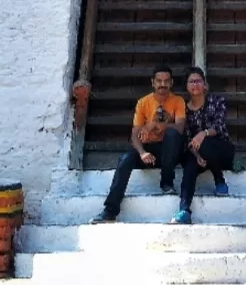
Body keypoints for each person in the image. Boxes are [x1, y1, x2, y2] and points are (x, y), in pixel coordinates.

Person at [91, 66, 186, 222]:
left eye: (166, 81)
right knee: (125, 160)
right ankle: (110, 211)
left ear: (171, 83)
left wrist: (155, 125)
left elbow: (180, 128)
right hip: (147, 149)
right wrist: (142, 152)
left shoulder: (178, 101)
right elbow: (135, 135)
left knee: (172, 134)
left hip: (168, 152)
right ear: (153, 83)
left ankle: (167, 183)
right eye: (159, 81)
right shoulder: (143, 102)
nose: (163, 84)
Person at [173, 67, 235, 224]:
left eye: (198, 81)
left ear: (205, 84)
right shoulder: (184, 110)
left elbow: (220, 126)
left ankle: (219, 180)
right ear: (187, 86)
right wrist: (197, 156)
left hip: (221, 151)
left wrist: (203, 133)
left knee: (206, 143)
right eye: (191, 82)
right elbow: (187, 139)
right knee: (189, 167)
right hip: (198, 153)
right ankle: (184, 210)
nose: (195, 84)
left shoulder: (217, 101)